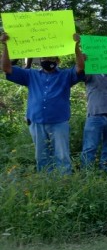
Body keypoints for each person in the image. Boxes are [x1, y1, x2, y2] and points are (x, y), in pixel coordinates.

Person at [1, 32, 85, 174]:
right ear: (40, 60)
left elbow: (80, 67)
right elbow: (6, 68)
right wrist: (5, 45)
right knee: (41, 156)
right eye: (44, 57)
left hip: (59, 122)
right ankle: (46, 183)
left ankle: (64, 183)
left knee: (62, 155)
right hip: (36, 122)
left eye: (51, 57)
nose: (47, 60)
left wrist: (76, 46)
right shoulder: (30, 75)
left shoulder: (65, 75)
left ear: (58, 61)